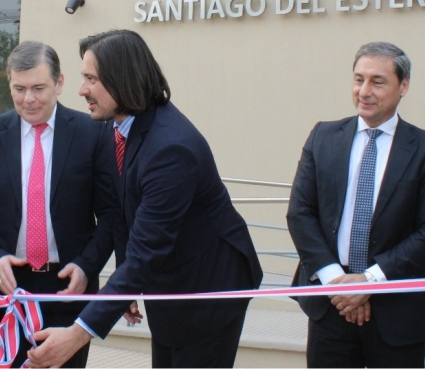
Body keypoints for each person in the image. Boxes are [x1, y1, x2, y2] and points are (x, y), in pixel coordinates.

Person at [26, 30, 263, 368]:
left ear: (122, 80)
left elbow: (147, 250)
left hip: (209, 290)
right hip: (169, 285)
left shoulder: (171, 149)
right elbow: (123, 212)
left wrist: (78, 332)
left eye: (91, 78)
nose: (82, 90)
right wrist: (126, 284)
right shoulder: (119, 126)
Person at [285, 42, 425, 367]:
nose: (364, 91)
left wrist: (370, 281)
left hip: (396, 312)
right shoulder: (323, 136)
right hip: (330, 303)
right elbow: (300, 213)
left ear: (403, 86)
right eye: (358, 79)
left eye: (377, 81)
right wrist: (338, 282)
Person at [0, 40, 119, 367]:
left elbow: (113, 213)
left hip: (69, 285)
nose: (28, 99)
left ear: (59, 84)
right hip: (9, 285)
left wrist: (88, 267)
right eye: (19, 88)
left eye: (38, 88)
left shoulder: (93, 133)